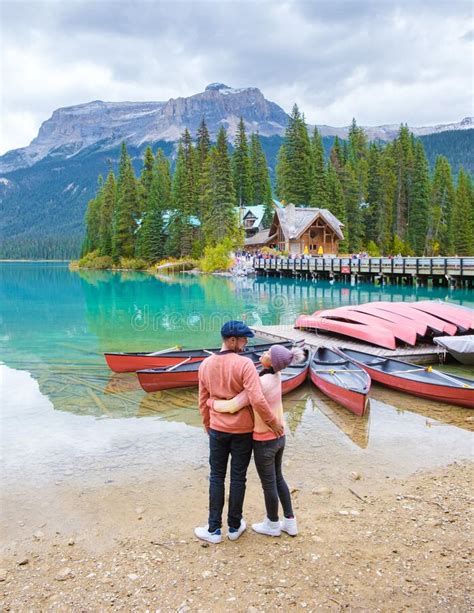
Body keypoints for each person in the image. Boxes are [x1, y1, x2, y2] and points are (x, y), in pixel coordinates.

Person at [195, 321, 284, 544]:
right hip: (243, 431)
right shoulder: (245, 365)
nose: (246, 343)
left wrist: (208, 425)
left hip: (217, 429)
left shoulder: (205, 365)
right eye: (244, 339)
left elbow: (203, 402)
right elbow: (257, 399)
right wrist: (273, 423)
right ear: (232, 340)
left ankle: (214, 529)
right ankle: (234, 527)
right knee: (237, 477)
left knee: (216, 476)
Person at [208, 345, 305, 538]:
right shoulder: (276, 377)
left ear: (273, 363)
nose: (263, 354)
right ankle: (290, 522)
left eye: (268, 354)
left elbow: (233, 405)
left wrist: (210, 403)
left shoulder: (261, 383)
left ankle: (272, 523)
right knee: (278, 478)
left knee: (268, 483)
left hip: (265, 440)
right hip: (280, 437)